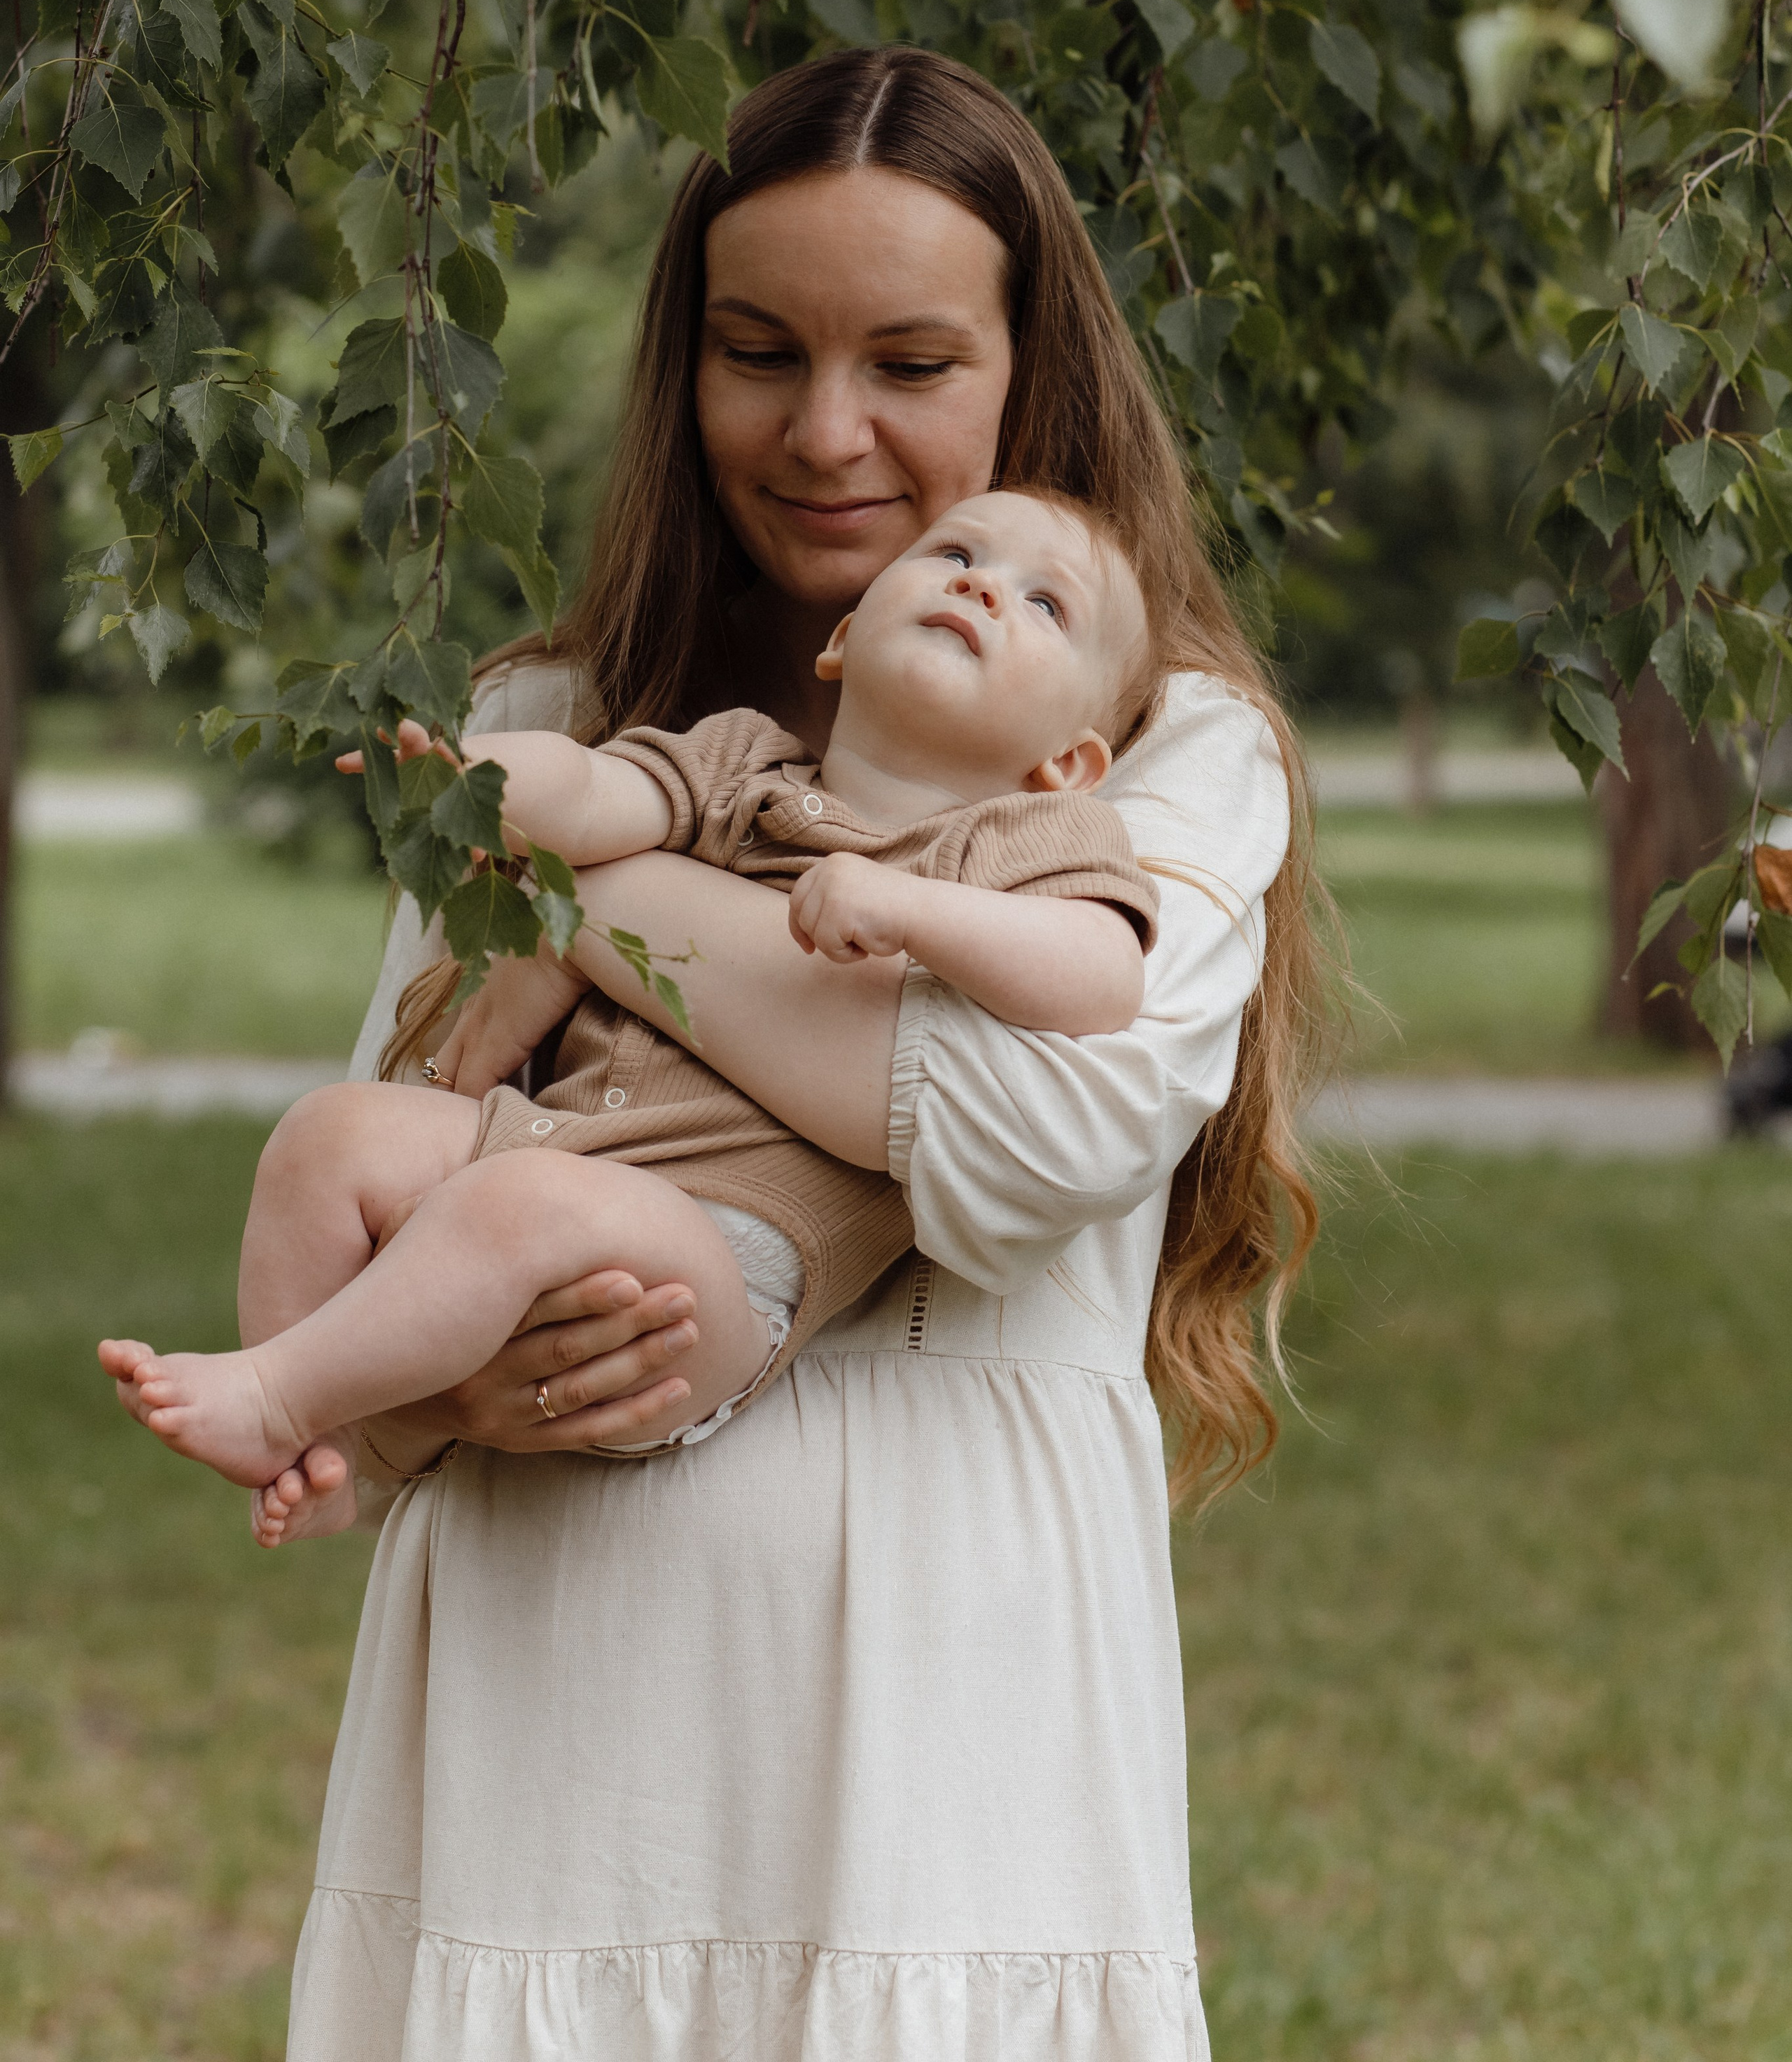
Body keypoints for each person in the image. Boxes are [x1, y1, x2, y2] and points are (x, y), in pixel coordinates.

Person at [285, 46, 1322, 2062]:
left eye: (912, 364)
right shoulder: (545, 710)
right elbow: (389, 1203)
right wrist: (450, 1347)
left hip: (948, 1727)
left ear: (1032, 378)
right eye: (758, 351)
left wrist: (595, 909)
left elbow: (1007, 1131)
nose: (824, 431)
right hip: (553, 1705)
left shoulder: (1164, 755)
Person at [99, 489, 1161, 1536]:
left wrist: (915, 911)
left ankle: (280, 1393)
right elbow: (598, 801)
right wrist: (484, 780)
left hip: (722, 1262)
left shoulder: (1016, 842)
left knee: (522, 1204)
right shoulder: (743, 765)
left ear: (1068, 764)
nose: (981, 583)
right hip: (570, 1152)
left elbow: (1102, 978)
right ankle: (322, 1459)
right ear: (844, 637)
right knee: (325, 1136)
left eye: (1045, 605)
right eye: (954, 553)